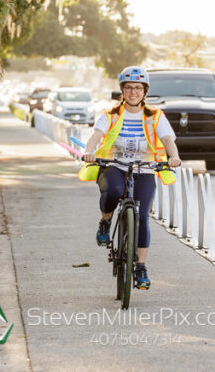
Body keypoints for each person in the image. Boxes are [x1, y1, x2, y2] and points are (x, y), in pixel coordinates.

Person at [79, 66, 181, 289]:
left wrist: (174, 157)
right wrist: (90, 152)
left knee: (143, 215)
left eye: (138, 88)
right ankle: (105, 222)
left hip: (144, 168)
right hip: (114, 164)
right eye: (128, 88)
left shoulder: (155, 116)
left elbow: (167, 140)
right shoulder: (111, 115)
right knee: (113, 191)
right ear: (122, 91)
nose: (133, 92)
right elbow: (95, 137)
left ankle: (140, 266)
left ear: (145, 91)